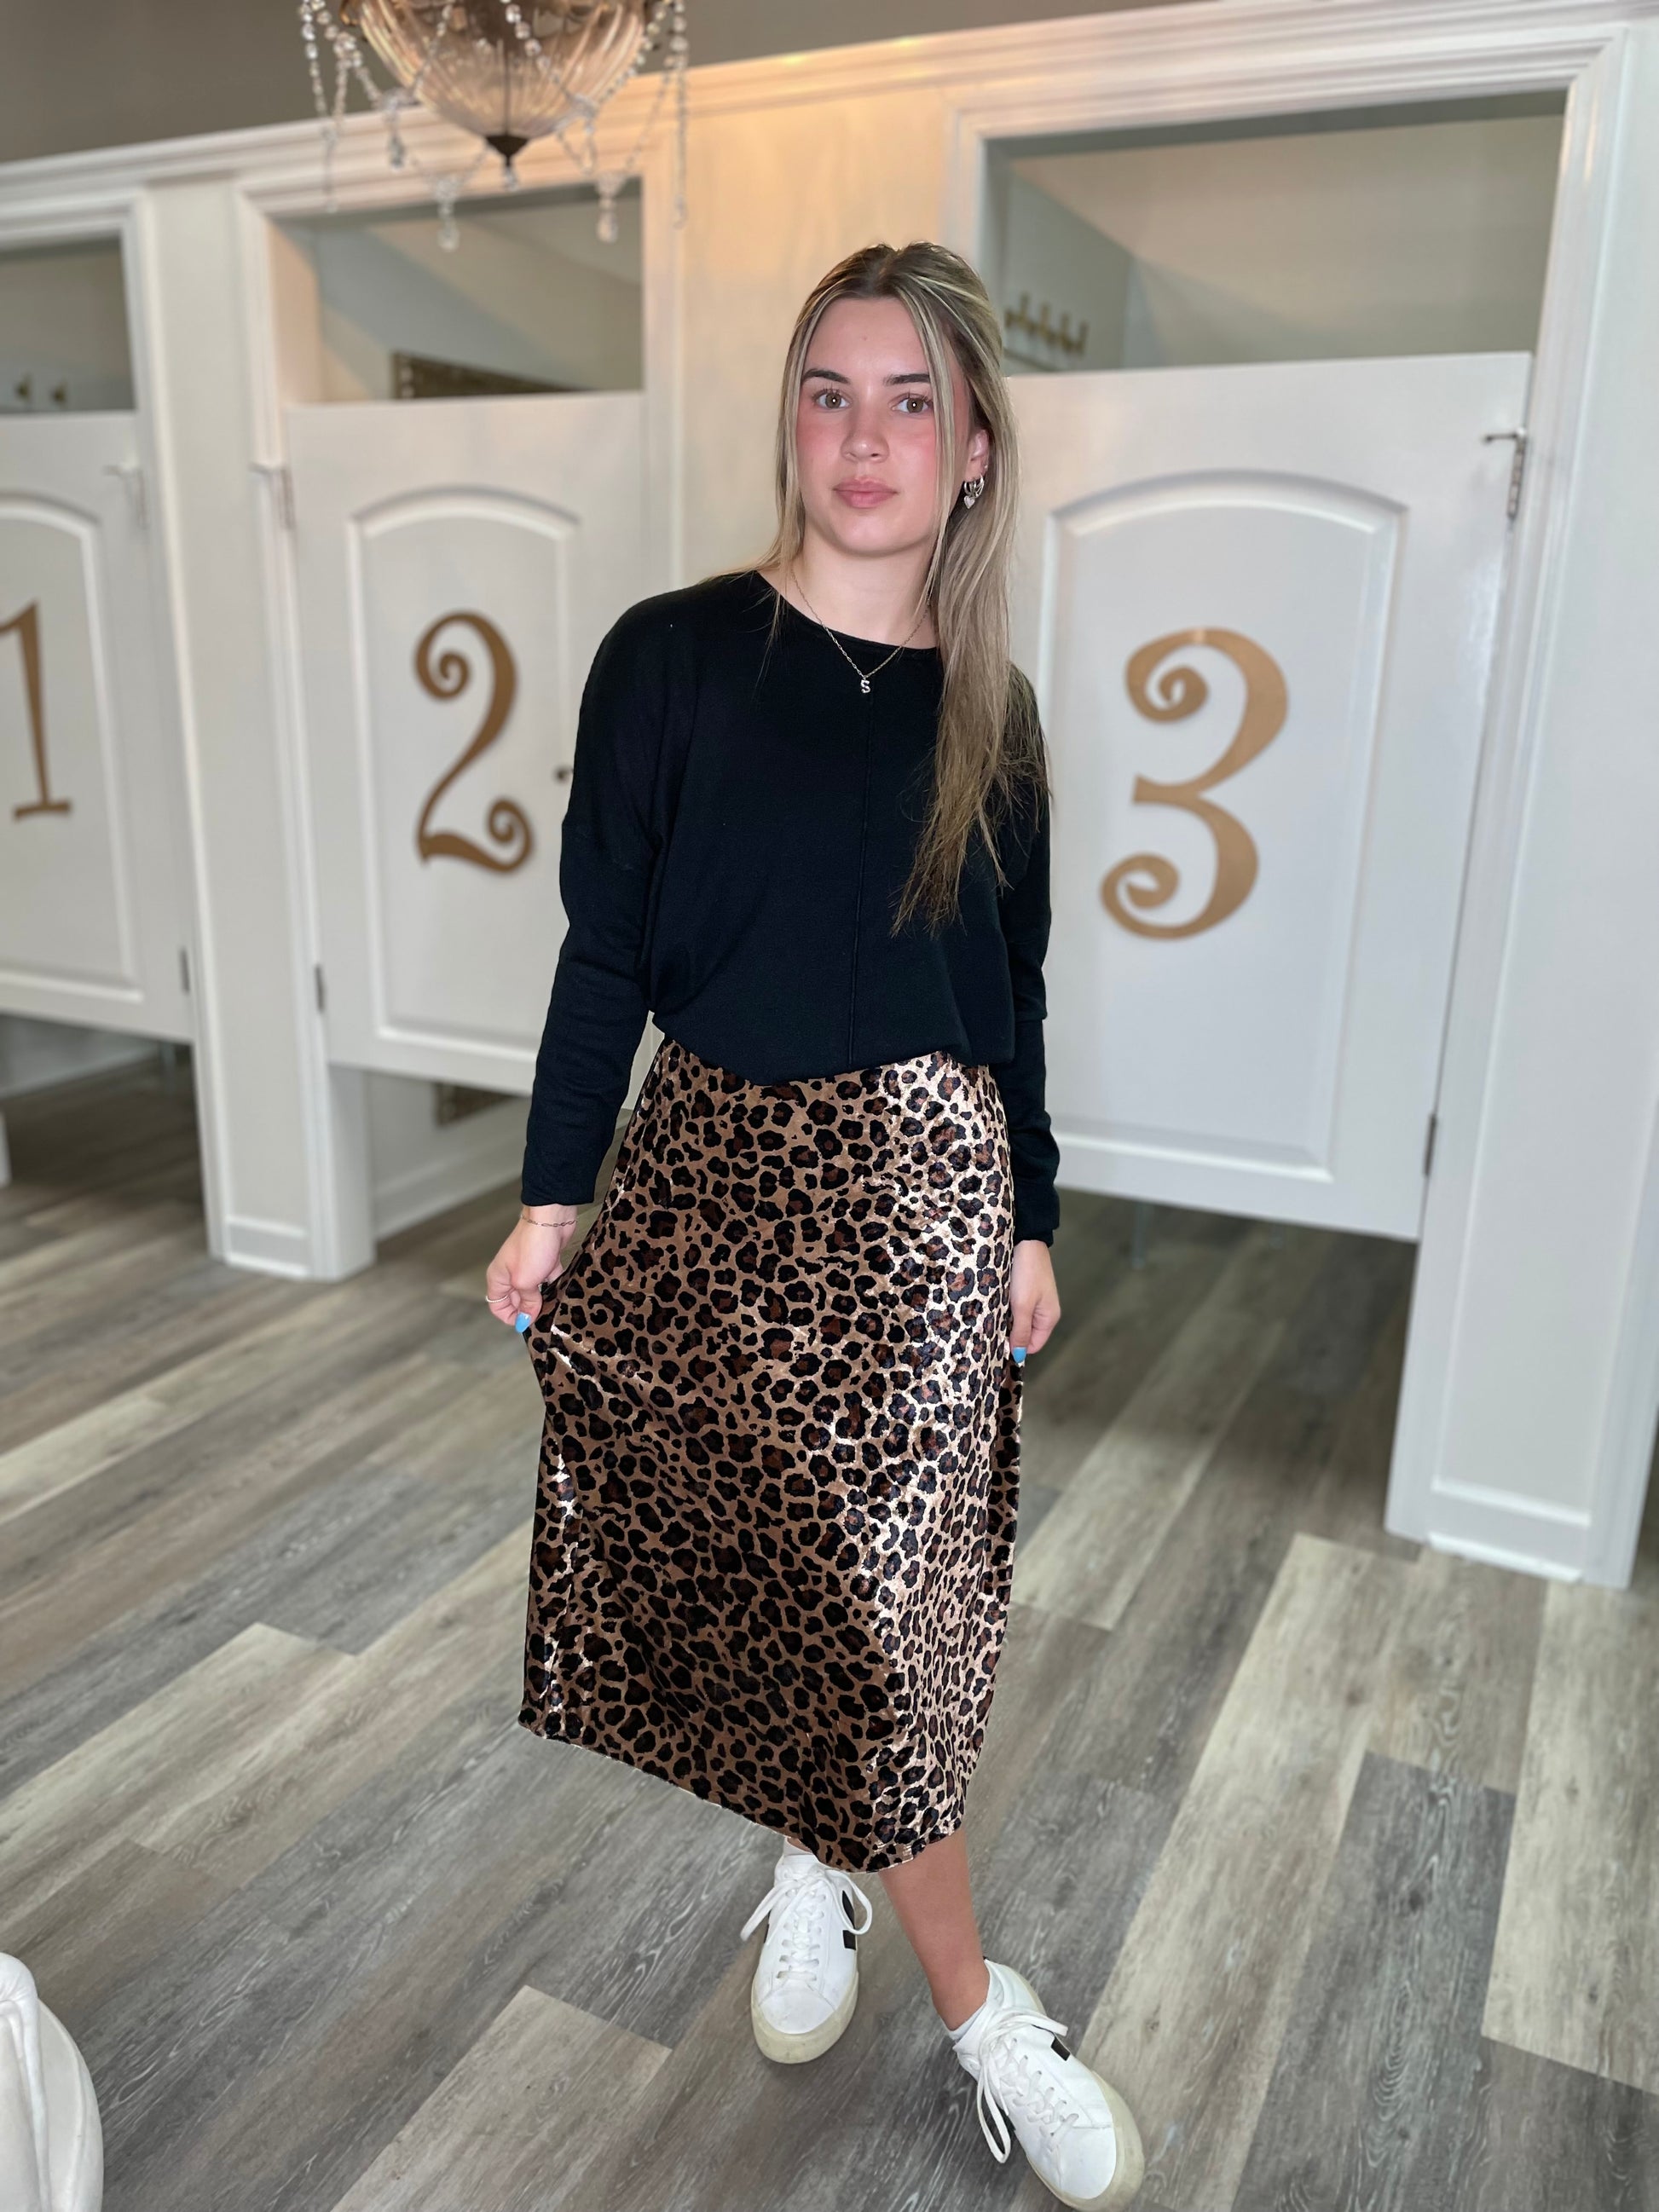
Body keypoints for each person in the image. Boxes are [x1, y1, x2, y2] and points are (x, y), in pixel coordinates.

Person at [484, 240, 1145, 2212]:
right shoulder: (671, 656)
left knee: (886, 1620)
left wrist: (1030, 1215)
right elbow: (603, 953)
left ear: (972, 448)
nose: (865, 438)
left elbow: (1014, 995)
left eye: (911, 401)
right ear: (791, 420)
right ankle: (810, 1859)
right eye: (829, 393)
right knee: (770, 1564)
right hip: (709, 1180)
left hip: (926, 1195)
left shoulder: (995, 720)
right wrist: (552, 1192)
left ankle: (978, 2010)